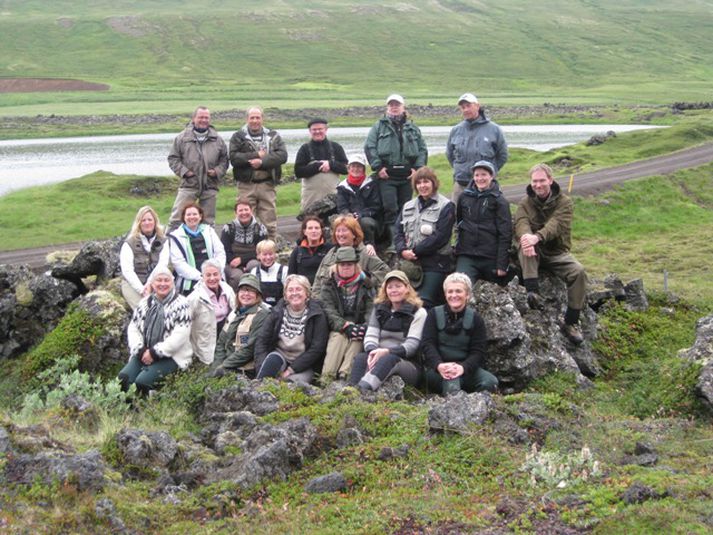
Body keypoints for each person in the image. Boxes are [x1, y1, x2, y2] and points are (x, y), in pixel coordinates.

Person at [514, 163, 588, 345]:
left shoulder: (565, 202)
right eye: (534, 181)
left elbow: (555, 225)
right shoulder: (525, 203)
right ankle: (533, 292)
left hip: (556, 252)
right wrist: (526, 237)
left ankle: (571, 322)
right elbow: (521, 222)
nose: (538, 185)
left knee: (578, 272)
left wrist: (537, 237)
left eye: (541, 181)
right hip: (533, 251)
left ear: (550, 180)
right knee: (525, 248)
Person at [348, 270, 427, 392]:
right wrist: (372, 352)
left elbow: (412, 346)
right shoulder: (379, 309)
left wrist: (386, 351)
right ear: (385, 290)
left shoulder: (419, 312)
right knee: (361, 357)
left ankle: (363, 390)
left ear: (407, 288)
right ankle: (350, 391)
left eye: (398, 286)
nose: (394, 290)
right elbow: (370, 335)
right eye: (390, 287)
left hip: (408, 365)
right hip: (379, 357)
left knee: (389, 359)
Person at [118, 267, 192, 396]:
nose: (162, 284)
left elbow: (180, 336)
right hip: (143, 353)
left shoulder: (182, 304)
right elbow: (133, 328)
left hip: (172, 356)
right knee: (123, 378)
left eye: (166, 280)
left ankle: (146, 410)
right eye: (159, 280)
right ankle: (127, 411)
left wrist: (154, 353)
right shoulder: (144, 303)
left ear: (172, 283)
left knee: (142, 382)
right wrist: (140, 351)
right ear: (152, 283)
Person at [421, 273, 499, 395]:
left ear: (467, 295)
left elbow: (478, 351)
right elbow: (427, 344)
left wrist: (463, 368)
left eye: (458, 291)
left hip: (466, 369)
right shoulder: (433, 314)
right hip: (438, 371)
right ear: (445, 294)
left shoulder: (476, 319)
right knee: (452, 387)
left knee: (490, 382)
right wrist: (439, 365)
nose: (454, 295)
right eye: (450, 291)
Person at [364, 94, 428, 239]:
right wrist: (378, 167)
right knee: (390, 208)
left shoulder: (412, 127)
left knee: (407, 208)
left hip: (408, 176)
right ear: (387, 107)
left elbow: (422, 149)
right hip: (386, 176)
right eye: (391, 105)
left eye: (397, 105)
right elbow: (370, 147)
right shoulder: (378, 126)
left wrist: (417, 169)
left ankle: (406, 238)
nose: (394, 107)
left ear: (403, 107)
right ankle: (393, 241)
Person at [394, 167, 455, 308]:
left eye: (426, 182)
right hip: (409, 263)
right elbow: (397, 231)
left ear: (434, 183)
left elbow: (441, 236)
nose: (422, 186)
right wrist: (402, 250)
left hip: (436, 263)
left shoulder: (446, 206)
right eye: (419, 183)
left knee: (423, 302)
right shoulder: (408, 206)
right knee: (398, 300)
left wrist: (414, 251)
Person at [254, 274, 329, 384]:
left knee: (290, 385)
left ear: (307, 293)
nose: (294, 293)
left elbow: (317, 348)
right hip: (280, 356)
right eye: (290, 290)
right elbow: (262, 340)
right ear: (285, 294)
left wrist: (290, 370)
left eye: (298, 289)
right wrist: (262, 367)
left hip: (304, 364)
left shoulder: (317, 314)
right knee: (268, 369)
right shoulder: (277, 311)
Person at [229, 107, 288, 239]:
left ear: (262, 119)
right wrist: (255, 155)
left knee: (270, 222)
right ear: (247, 119)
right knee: (244, 220)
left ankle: (270, 251)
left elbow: (282, 156)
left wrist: (262, 162)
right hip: (246, 185)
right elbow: (234, 158)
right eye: (252, 118)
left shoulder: (273, 135)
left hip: (267, 184)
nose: (255, 121)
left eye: (257, 117)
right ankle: (246, 250)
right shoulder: (238, 136)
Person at [319, 246, 375, 381]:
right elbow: (328, 309)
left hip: (359, 324)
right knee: (338, 338)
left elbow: (371, 308)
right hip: (336, 326)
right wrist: (344, 326)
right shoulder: (328, 284)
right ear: (336, 266)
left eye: (349, 264)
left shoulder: (366, 284)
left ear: (356, 265)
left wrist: (365, 327)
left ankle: (345, 376)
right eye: (342, 264)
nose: (346, 267)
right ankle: (327, 378)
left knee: (358, 339)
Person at [167, 106, 229, 228]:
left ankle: (206, 245)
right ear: (194, 118)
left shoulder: (217, 140)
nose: (204, 120)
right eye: (201, 117)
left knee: (208, 222)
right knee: (176, 219)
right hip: (189, 185)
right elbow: (173, 158)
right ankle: (168, 244)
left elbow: (224, 160)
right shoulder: (182, 138)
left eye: (206, 117)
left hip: (210, 186)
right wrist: (185, 172)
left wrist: (216, 172)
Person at [455, 160, 513, 285]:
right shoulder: (464, 197)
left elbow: (505, 233)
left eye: (484, 174)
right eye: (477, 175)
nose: (480, 178)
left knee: (496, 293)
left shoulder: (500, 201)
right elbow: (459, 222)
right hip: (467, 254)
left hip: (490, 255)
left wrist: (502, 264)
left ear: (491, 176)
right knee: (460, 286)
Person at [446, 93, 508, 205]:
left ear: (477, 106)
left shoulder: (494, 129)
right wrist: (460, 169)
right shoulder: (455, 130)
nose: (465, 110)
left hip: (486, 187)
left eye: (468, 106)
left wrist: (490, 172)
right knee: (455, 217)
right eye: (463, 107)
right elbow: (450, 155)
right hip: (461, 185)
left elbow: (502, 155)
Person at [311, 215, 389, 297]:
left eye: (344, 230)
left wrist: (363, 277)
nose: (340, 234)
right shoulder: (331, 254)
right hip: (329, 305)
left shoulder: (365, 253)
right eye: (338, 231)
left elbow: (385, 275)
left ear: (354, 234)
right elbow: (318, 283)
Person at [212, 273, 272, 377]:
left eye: (251, 290)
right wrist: (217, 365)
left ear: (258, 295)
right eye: (243, 290)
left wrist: (223, 366)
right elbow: (221, 342)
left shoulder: (262, 314)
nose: (246, 294)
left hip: (245, 370)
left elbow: (249, 349)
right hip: (227, 365)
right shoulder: (234, 312)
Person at [168, 202, 226, 295]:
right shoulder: (176, 236)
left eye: (195, 214)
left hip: (213, 276)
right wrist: (201, 277)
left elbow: (220, 253)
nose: (192, 217)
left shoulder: (209, 231)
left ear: (200, 216)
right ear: (184, 217)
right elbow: (178, 263)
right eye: (188, 214)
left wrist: (214, 273)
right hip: (190, 280)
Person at [187, 259, 236, 367]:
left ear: (220, 274)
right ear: (203, 276)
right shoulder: (194, 298)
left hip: (225, 336)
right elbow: (184, 324)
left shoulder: (227, 289)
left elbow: (237, 309)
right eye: (208, 275)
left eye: (215, 274)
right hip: (206, 342)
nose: (212, 278)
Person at [119, 205, 169, 309]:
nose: (147, 223)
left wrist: (150, 284)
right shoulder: (129, 243)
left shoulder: (164, 241)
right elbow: (127, 271)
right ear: (139, 223)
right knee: (144, 310)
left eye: (150, 219)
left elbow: (162, 265)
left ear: (155, 221)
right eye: (143, 220)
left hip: (157, 282)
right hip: (132, 284)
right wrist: (142, 290)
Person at [294, 118, 348, 210]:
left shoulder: (336, 147)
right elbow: (298, 172)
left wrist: (331, 165)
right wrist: (318, 166)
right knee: (310, 223)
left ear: (326, 129)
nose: (317, 132)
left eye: (320, 129)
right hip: (311, 199)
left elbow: (346, 169)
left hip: (333, 198)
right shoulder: (304, 149)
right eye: (314, 129)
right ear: (310, 131)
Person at [220, 198, 267, 291]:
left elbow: (262, 251)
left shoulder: (260, 228)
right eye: (240, 210)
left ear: (251, 211)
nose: (244, 213)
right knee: (237, 276)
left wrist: (242, 260)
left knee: (254, 268)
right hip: (232, 263)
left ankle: (257, 295)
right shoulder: (228, 228)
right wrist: (235, 262)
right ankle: (234, 300)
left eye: (246, 209)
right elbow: (224, 250)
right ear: (235, 213)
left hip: (253, 260)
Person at [336, 153, 382, 248]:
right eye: (353, 166)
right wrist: (348, 215)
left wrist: (361, 215)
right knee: (338, 222)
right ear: (348, 169)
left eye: (359, 166)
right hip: (350, 217)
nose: (356, 169)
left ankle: (370, 247)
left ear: (363, 169)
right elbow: (342, 207)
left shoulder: (372, 184)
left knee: (365, 222)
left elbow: (376, 206)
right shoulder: (342, 187)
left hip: (371, 219)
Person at [287, 215, 334, 284]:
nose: (313, 231)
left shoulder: (330, 249)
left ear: (321, 231)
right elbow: (291, 276)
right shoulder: (297, 252)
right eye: (310, 228)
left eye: (317, 228)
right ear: (304, 231)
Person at [250, 239, 287, 307]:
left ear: (275, 254)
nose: (268, 257)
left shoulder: (284, 270)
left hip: (281, 309)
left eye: (270, 254)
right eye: (264, 254)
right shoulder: (254, 272)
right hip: (261, 310)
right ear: (258, 256)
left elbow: (287, 295)